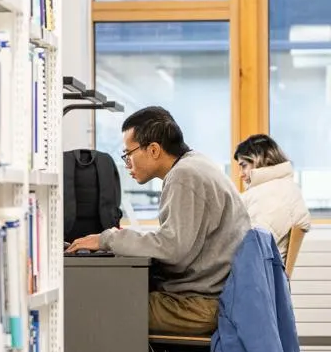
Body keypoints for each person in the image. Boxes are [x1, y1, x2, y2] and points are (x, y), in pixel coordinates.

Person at [66, 106, 250, 335]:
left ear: (153, 150)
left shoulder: (184, 176)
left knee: (101, 307)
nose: (126, 164)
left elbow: (171, 248)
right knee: (117, 294)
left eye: (128, 154)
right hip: (214, 296)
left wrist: (108, 239)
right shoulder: (195, 164)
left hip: (201, 305)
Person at [234, 134, 310, 262]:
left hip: (257, 275)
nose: (241, 174)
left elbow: (252, 249)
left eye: (244, 165)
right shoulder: (288, 188)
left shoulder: (264, 194)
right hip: (272, 274)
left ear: (259, 159)